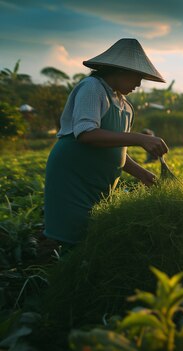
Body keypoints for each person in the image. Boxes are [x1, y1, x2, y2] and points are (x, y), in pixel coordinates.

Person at [44, 38, 169, 246]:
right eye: (137, 77)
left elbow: (116, 149)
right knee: (68, 238)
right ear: (120, 70)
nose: (139, 84)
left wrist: (142, 173)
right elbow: (86, 134)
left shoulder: (125, 105)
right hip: (73, 177)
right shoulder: (92, 88)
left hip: (99, 183)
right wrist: (140, 138)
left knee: (90, 238)